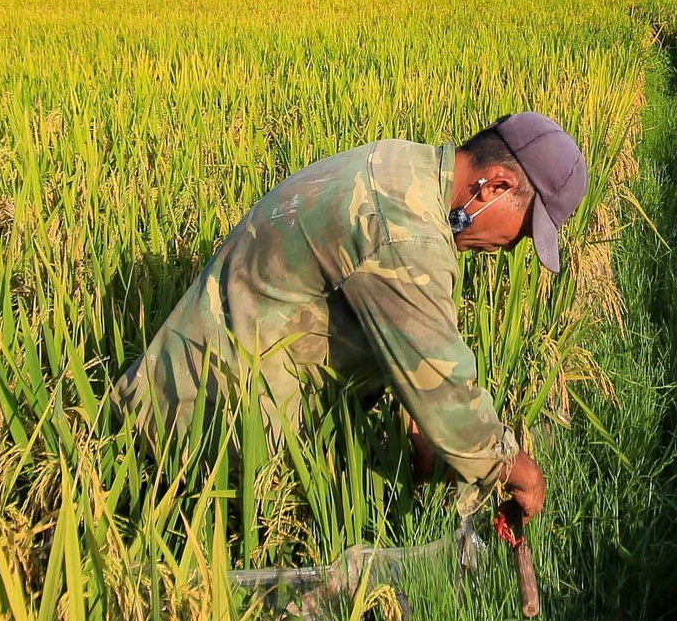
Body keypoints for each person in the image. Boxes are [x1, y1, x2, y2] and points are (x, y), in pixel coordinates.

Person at [120, 112, 586, 522]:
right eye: (523, 230)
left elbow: (395, 329)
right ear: (498, 185)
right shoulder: (407, 235)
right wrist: (514, 468)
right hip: (204, 437)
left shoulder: (403, 165)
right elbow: (445, 388)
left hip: (184, 384)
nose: (511, 246)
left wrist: (416, 422)